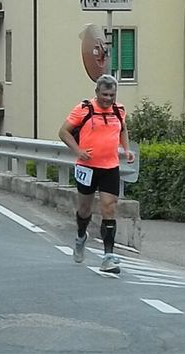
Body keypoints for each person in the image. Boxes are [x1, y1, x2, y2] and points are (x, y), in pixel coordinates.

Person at [58, 74, 135, 274]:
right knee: (84, 208)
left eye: (112, 94)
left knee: (109, 207)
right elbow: (64, 132)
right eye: (105, 94)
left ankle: (108, 256)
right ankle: (81, 236)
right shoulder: (84, 109)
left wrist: (126, 150)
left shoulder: (119, 110)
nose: (108, 99)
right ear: (97, 93)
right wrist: (78, 151)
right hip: (87, 167)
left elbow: (123, 130)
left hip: (110, 166)